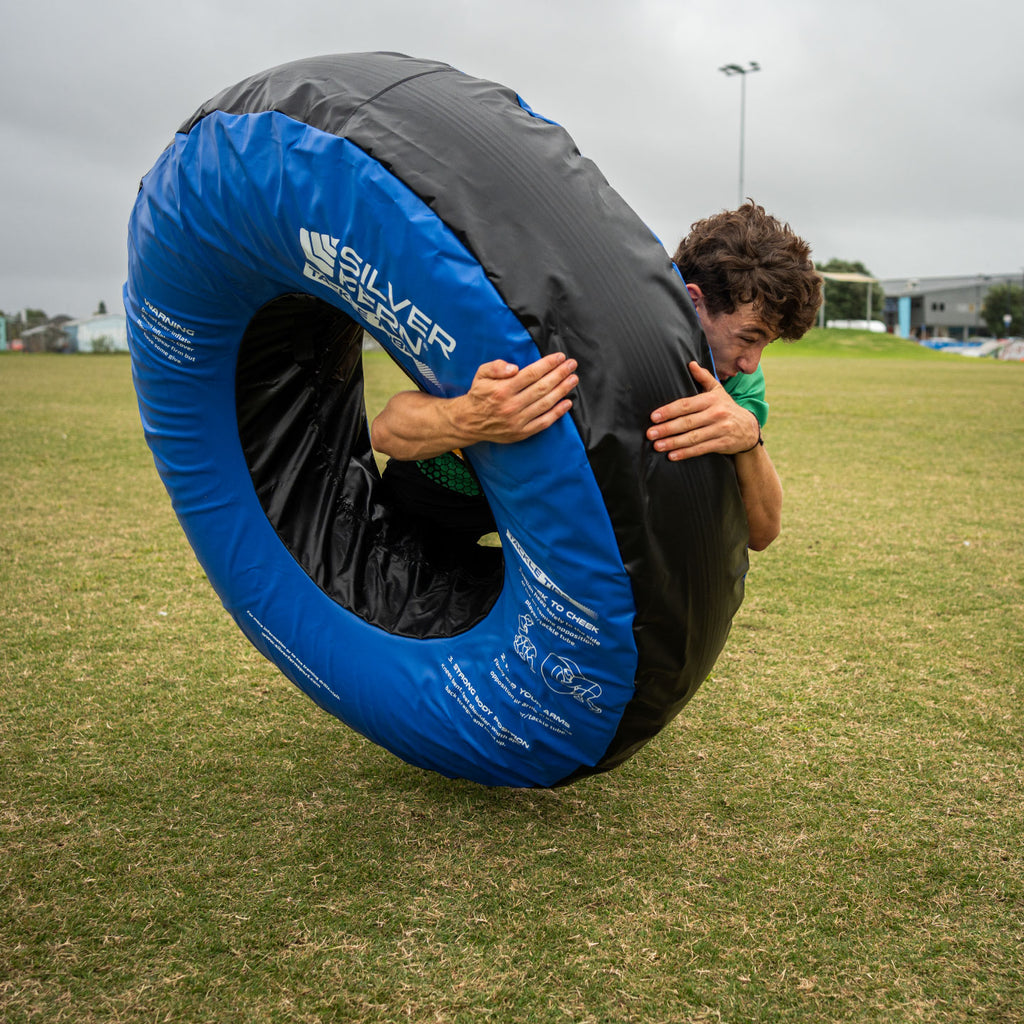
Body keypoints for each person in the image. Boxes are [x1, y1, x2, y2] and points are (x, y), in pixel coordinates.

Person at [370, 202, 822, 552]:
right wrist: (469, 418)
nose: (751, 363)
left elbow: (761, 532)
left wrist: (749, 437)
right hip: (439, 506)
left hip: (562, 545)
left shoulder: (736, 386)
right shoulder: (578, 324)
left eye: (767, 345)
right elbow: (388, 429)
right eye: (749, 337)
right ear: (693, 301)